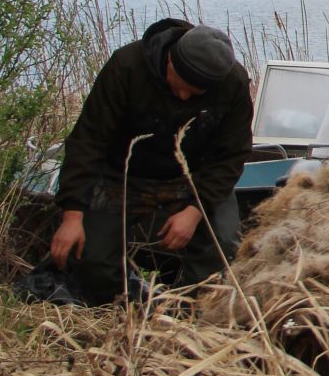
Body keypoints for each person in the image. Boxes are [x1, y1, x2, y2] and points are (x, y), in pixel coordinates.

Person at [49, 19, 253, 304]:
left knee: (224, 243)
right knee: (90, 257)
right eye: (179, 86)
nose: (183, 97)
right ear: (169, 59)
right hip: (121, 177)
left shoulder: (233, 83)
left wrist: (195, 211)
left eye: (195, 94)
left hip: (191, 180)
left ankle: (194, 310)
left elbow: (232, 156)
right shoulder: (127, 67)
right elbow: (88, 141)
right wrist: (72, 215)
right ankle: (116, 307)